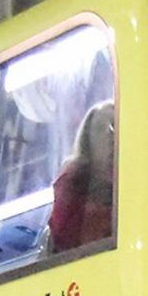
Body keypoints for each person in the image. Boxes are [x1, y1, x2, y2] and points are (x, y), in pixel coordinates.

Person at [46, 101, 115, 255]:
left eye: (113, 127)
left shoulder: (134, 179)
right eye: (99, 129)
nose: (108, 136)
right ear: (86, 138)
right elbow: (63, 238)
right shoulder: (72, 183)